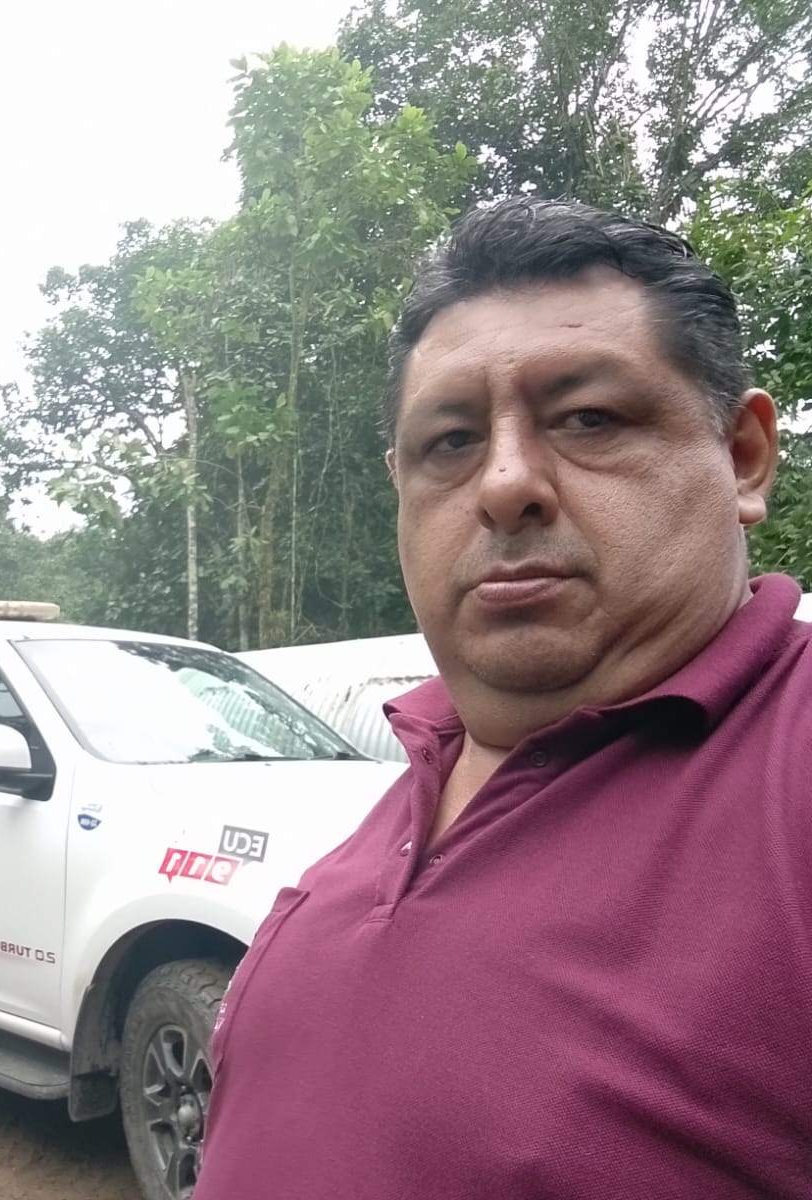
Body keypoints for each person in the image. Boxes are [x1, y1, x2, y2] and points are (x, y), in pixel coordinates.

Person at [195, 198, 810, 1198]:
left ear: (742, 457)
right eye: (450, 441)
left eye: (589, 418)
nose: (505, 483)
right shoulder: (418, 762)